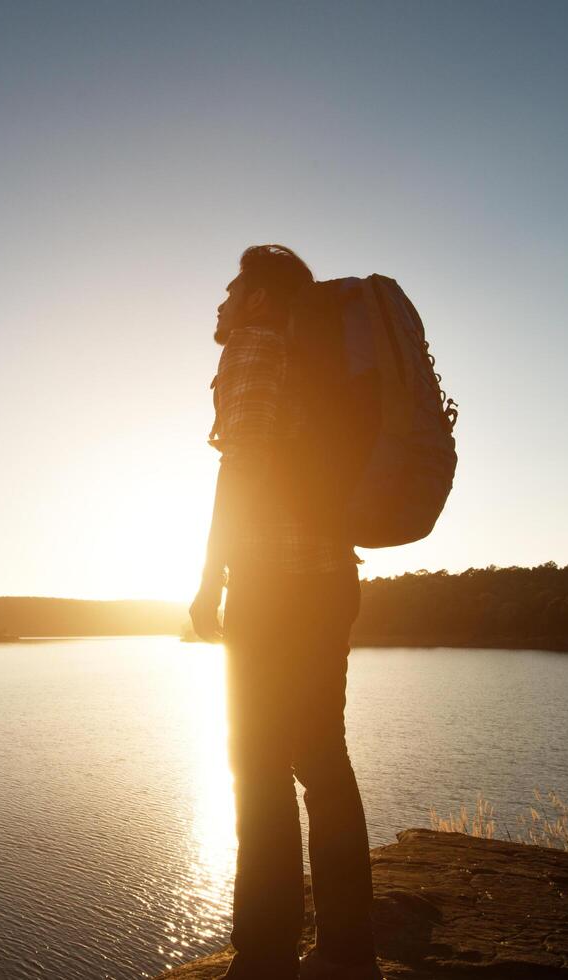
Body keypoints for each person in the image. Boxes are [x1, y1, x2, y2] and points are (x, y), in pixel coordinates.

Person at [189, 245, 383, 980]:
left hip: (271, 587)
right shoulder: (315, 361)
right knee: (322, 761)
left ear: (261, 301)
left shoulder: (255, 349)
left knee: (259, 767)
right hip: (330, 579)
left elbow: (239, 466)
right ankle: (346, 953)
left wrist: (210, 577)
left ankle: (264, 956)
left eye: (232, 289)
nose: (222, 304)